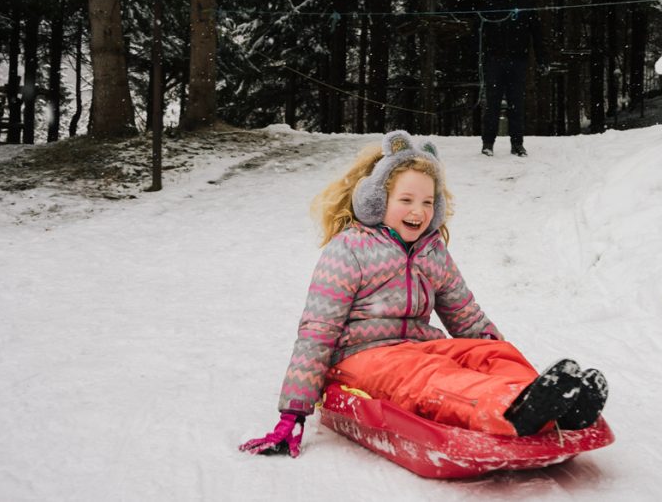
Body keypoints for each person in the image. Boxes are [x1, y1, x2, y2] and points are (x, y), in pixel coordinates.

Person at [239, 130, 607, 458]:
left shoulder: (432, 251)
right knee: (427, 373)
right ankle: (508, 408)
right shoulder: (348, 250)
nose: (419, 211)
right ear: (377, 200)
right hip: (361, 358)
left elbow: (467, 316)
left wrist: (489, 350)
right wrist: (293, 412)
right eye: (407, 200)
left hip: (416, 347)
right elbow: (317, 331)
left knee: (489, 350)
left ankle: (548, 399)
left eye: (428, 202)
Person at [479, 0, 547, 157]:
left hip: (518, 60)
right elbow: (481, 26)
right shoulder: (492, 1)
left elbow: (537, 34)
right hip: (494, 60)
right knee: (492, 102)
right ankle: (488, 143)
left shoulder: (527, 2)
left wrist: (542, 60)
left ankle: (517, 144)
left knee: (516, 103)